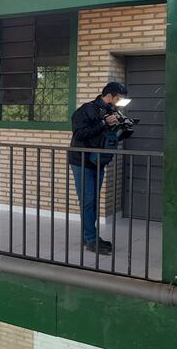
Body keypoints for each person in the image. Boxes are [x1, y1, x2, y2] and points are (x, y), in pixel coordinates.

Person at [69, 82, 128, 255]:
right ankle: (92, 240)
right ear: (109, 96)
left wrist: (122, 126)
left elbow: (108, 135)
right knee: (88, 201)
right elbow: (79, 133)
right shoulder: (86, 110)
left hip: (99, 161)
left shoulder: (111, 111)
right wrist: (103, 123)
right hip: (82, 161)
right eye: (119, 98)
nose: (120, 102)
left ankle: (88, 236)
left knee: (92, 201)